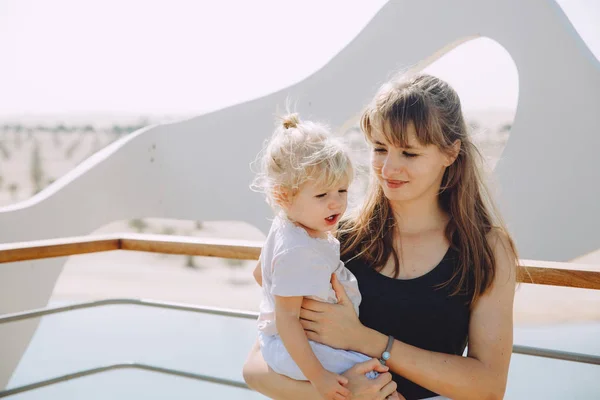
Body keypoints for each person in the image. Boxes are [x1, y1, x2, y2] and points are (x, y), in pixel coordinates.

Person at [243, 73, 519, 400]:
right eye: (379, 148)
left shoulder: (486, 249)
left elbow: (489, 387)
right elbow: (256, 367)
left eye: (409, 153)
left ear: (450, 152)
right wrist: (344, 396)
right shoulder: (332, 236)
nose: (388, 168)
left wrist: (365, 340)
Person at [250, 113, 393, 400]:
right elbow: (288, 320)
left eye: (342, 190)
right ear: (283, 196)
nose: (336, 202)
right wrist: (319, 378)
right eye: (322, 195)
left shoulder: (290, 225)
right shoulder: (296, 250)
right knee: (376, 379)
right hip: (294, 346)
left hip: (291, 342)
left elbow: (259, 273)